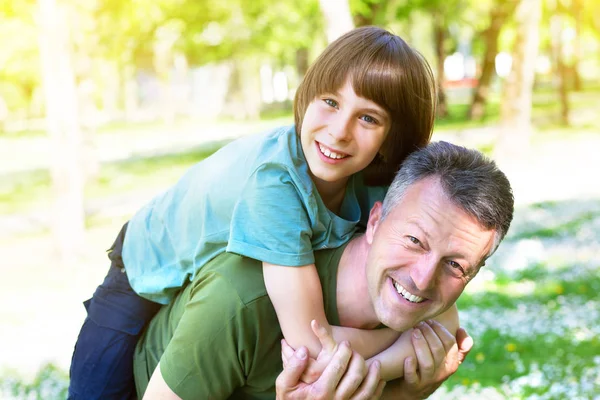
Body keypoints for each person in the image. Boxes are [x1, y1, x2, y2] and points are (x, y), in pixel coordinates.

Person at [68, 26, 438, 399]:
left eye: (368, 118)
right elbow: (309, 346)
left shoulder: (380, 186)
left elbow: (442, 312)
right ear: (307, 96)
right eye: (330, 101)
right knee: (95, 390)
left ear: (394, 137)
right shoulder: (274, 184)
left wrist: (414, 333)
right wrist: (399, 336)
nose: (340, 131)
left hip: (211, 277)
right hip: (142, 268)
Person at [134, 141, 515, 399]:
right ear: (376, 221)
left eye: (454, 265)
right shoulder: (240, 299)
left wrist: (409, 391)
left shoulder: (423, 336)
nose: (422, 278)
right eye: (415, 240)